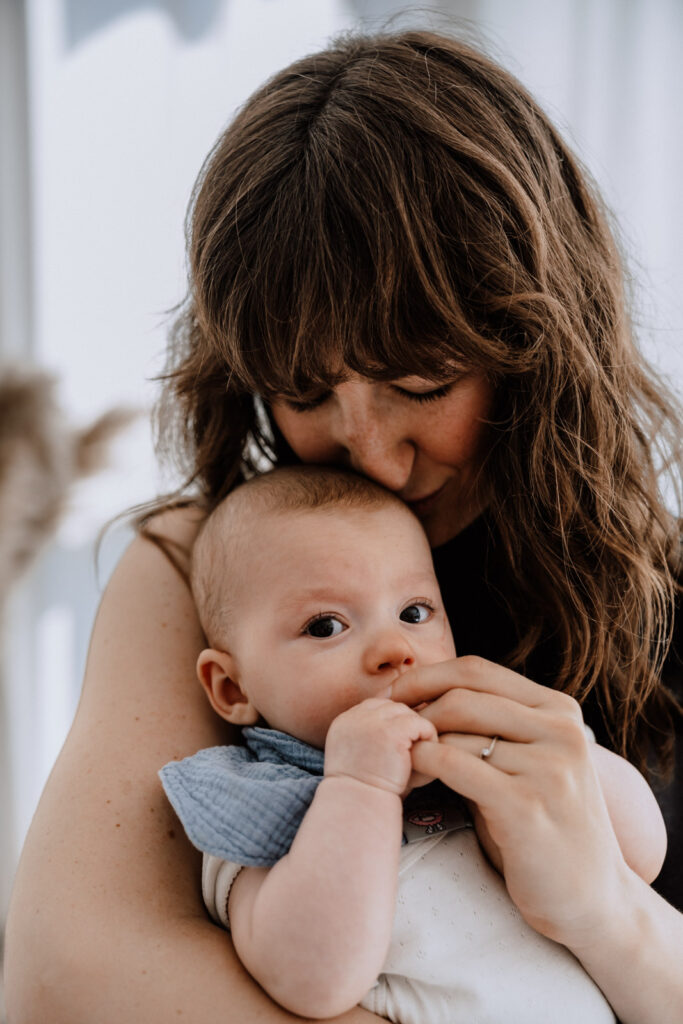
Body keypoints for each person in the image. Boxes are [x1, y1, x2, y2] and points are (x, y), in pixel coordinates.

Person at [4, 28, 682, 1024]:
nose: (368, 456)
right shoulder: (200, 564)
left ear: (536, 350)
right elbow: (63, 983)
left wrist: (607, 910)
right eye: (303, 391)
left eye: (421, 384)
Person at [160, 464, 664, 1023]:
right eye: (326, 626)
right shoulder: (259, 797)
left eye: (414, 613)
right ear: (233, 687)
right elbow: (313, 980)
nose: (395, 648)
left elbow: (639, 855)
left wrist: (563, 760)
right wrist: (361, 785)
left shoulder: (494, 741)